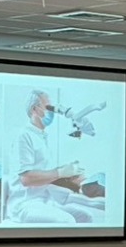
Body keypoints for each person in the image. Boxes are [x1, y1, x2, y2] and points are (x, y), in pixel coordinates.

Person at [8, 89, 93, 224]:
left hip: (46, 200)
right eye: (49, 108)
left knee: (86, 217)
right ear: (34, 109)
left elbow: (46, 174)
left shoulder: (42, 137)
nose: (52, 112)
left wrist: (70, 175)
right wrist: (60, 172)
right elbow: (26, 179)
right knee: (67, 221)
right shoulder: (24, 136)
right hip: (25, 204)